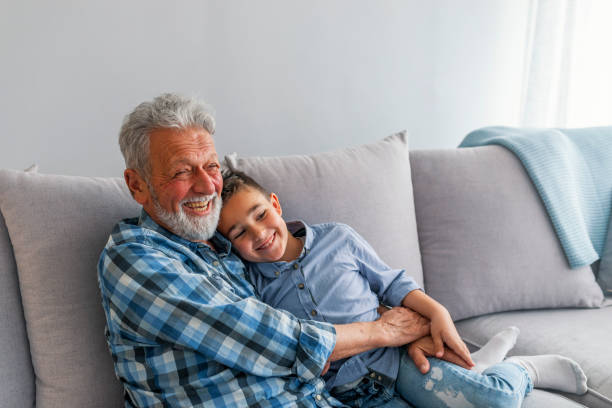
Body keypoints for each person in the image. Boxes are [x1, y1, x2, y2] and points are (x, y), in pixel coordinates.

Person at [97, 93, 436, 408]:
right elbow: (262, 337)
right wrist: (384, 332)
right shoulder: (133, 257)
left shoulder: (230, 250)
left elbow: (326, 297)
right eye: (182, 171)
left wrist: (408, 331)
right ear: (136, 184)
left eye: (211, 167)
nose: (206, 186)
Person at [216, 169, 590, 408]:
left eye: (261, 215)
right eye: (240, 233)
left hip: (400, 363)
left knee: (496, 401)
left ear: (275, 205)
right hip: (348, 393)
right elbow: (279, 342)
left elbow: (393, 284)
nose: (259, 234)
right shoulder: (253, 287)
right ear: (231, 246)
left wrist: (437, 313)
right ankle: (485, 365)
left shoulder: (338, 239)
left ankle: (522, 370)